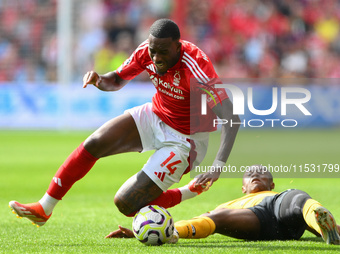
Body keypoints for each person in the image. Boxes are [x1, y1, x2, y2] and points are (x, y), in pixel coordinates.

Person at [8, 19, 240, 226]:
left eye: (163, 52)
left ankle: (190, 190)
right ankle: (44, 208)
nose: (156, 58)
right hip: (157, 114)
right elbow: (118, 79)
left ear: (178, 47)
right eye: (153, 51)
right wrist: (100, 79)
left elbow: (232, 118)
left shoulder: (196, 67)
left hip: (186, 141)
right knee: (95, 143)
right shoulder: (145, 52)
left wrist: (218, 165)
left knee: (126, 203)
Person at [106, 165, 340, 245]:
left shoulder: (280, 194)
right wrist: (155, 232)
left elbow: (292, 203)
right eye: (250, 174)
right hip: (255, 219)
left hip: (282, 209)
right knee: (216, 217)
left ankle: (329, 231)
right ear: (243, 187)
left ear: (272, 182)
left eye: (262, 173)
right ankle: (169, 233)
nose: (256, 174)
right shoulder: (231, 203)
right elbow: (205, 220)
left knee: (299, 200)